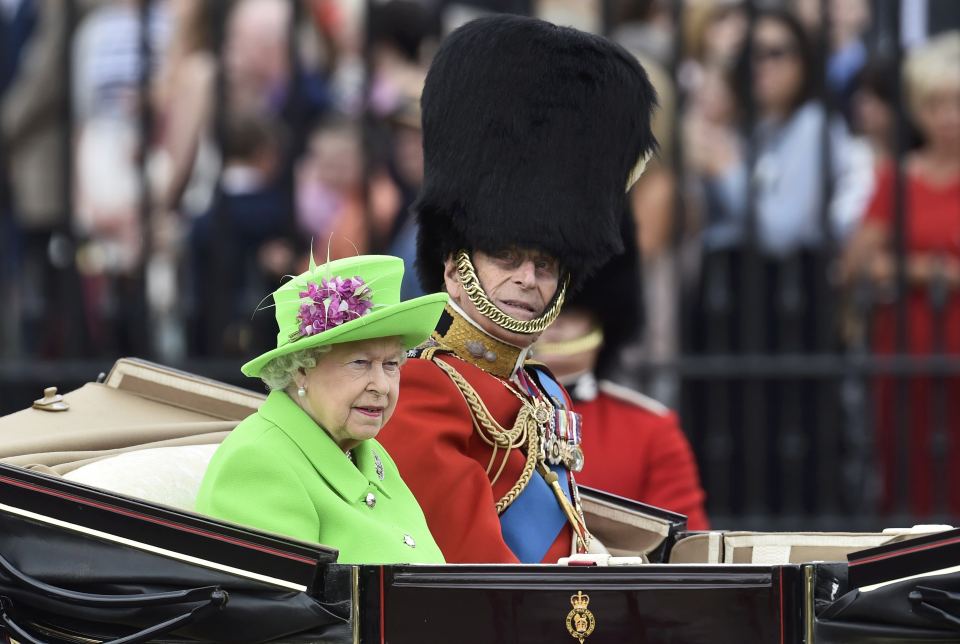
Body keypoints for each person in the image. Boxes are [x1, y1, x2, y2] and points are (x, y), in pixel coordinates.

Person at [376, 15, 657, 563]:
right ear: (455, 267)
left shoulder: (541, 390)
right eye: (505, 257)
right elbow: (477, 569)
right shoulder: (423, 387)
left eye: (545, 264)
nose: (528, 278)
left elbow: (565, 535)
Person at [195, 255, 449, 564]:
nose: (382, 385)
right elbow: (278, 610)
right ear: (302, 368)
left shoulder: (370, 453)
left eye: (391, 364)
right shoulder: (259, 463)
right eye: (361, 363)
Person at [841, 32, 960, 517]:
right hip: (906, 350)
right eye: (936, 104)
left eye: (957, 103)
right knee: (909, 475)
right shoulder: (897, 178)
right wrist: (935, 270)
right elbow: (854, 264)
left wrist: (903, 266)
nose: (949, 117)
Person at [535, 214, 710, 530]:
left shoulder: (650, 431)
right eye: (544, 309)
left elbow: (684, 552)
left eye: (572, 311)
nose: (555, 323)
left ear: (603, 321)